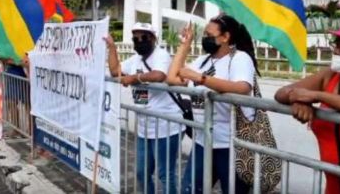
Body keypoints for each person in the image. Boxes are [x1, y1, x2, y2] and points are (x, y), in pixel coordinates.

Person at [166, 14, 258, 194]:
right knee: (189, 190)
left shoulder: (239, 58)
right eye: (204, 35)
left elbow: (243, 88)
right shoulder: (203, 60)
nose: (205, 39)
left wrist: (201, 79)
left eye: (209, 35)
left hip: (231, 145)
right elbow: (172, 78)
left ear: (225, 37)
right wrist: (185, 44)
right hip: (203, 142)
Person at [275, 17, 340, 194]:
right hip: (334, 184)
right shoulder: (331, 76)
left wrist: (316, 96)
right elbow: (282, 93)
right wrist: (299, 100)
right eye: (338, 45)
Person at [106, 22, 183, 194]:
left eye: (144, 37)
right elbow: (114, 71)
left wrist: (134, 78)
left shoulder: (161, 55)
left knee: (165, 173)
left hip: (166, 126)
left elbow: (159, 75)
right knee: (142, 173)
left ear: (153, 38)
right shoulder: (135, 60)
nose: (139, 41)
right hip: (144, 127)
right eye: (135, 38)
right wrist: (111, 47)